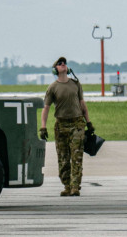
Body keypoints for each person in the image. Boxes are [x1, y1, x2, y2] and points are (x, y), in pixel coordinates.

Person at [39, 56, 94, 196]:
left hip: (77, 124)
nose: (63, 64)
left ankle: (75, 186)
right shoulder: (52, 88)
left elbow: (82, 104)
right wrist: (43, 127)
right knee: (63, 159)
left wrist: (89, 123)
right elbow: (46, 108)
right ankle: (67, 185)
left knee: (77, 156)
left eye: (64, 63)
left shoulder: (76, 84)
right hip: (61, 126)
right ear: (55, 69)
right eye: (60, 63)